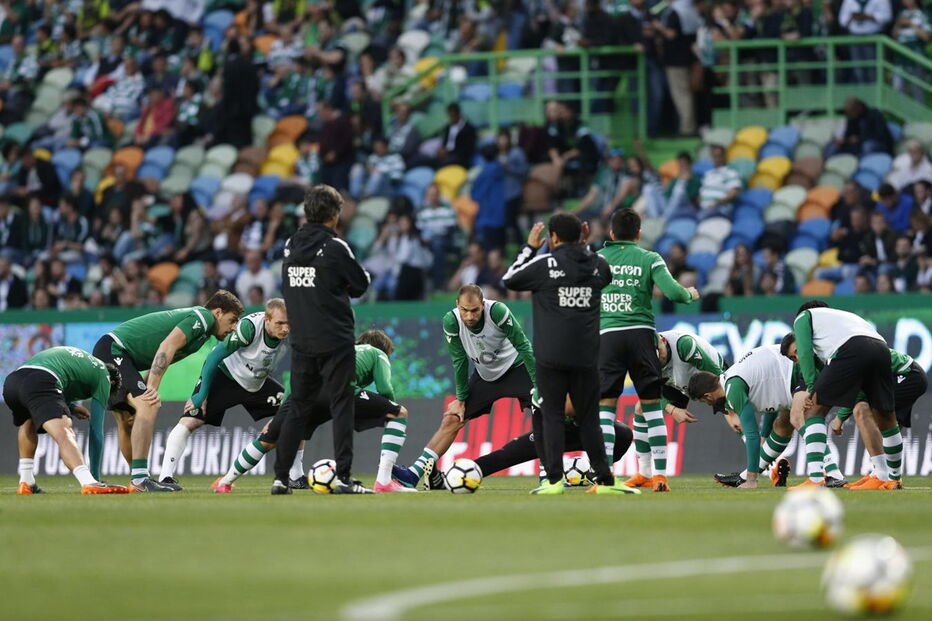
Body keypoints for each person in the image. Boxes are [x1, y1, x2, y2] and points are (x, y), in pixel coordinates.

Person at [503, 214, 634, 495]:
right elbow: (606, 275)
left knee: (551, 416)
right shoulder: (596, 263)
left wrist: (529, 248)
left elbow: (509, 279)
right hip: (586, 357)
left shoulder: (545, 264)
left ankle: (553, 482)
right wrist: (583, 247)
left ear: (552, 238)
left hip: (550, 357)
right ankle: (605, 481)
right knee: (589, 419)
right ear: (582, 235)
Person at [217, 330, 413, 494]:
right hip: (339, 392)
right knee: (399, 413)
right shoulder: (376, 353)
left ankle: (225, 482)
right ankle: (384, 481)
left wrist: (280, 416)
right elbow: (385, 388)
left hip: (305, 394)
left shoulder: (338, 351)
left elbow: (295, 381)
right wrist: (389, 407)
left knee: (268, 439)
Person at [91, 291, 244, 492]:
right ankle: (140, 479)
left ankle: (137, 478)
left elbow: (162, 353)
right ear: (217, 312)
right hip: (116, 350)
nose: (233, 327)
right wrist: (152, 388)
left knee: (126, 418)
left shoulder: (203, 332)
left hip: (112, 350)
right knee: (149, 404)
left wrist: (146, 385)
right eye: (232, 320)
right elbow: (167, 346)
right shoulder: (204, 318)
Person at [392, 284, 537, 490]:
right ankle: (414, 473)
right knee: (453, 417)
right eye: (464, 310)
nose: (469, 316)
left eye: (475, 310)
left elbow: (524, 346)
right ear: (457, 305)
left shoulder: (497, 311)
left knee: (546, 416)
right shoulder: (451, 321)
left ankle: (551, 475)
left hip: (517, 370)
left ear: (483, 305)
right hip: (485, 377)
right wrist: (460, 400)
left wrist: (540, 386)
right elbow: (459, 361)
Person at [275, 185, 371, 495]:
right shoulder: (336, 247)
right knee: (342, 404)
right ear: (334, 214)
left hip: (302, 339)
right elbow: (360, 284)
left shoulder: (290, 246)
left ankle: (280, 478)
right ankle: (343, 477)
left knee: (298, 407)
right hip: (335, 339)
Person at [597, 209, 699, 492]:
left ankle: (605, 478)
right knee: (652, 407)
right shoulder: (650, 258)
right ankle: (661, 477)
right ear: (639, 234)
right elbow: (675, 293)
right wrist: (690, 294)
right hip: (643, 338)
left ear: (611, 234)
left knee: (605, 408)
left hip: (609, 338)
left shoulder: (598, 259)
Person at [156, 299, 296, 489]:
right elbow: (214, 356)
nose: (285, 328)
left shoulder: (295, 335)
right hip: (226, 375)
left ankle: (296, 476)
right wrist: (202, 393)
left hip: (257, 382)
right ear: (267, 319)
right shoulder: (249, 328)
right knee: (191, 419)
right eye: (280, 323)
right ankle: (166, 478)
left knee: (296, 413)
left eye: (288, 323)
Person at [788, 300, 903, 489]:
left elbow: (806, 351)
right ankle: (894, 479)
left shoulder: (804, 317)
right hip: (881, 348)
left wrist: (810, 387)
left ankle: (816, 480)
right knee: (886, 417)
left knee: (813, 411)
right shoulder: (846, 318)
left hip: (851, 348)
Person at [3, 346, 128, 495]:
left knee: (28, 421)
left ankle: (26, 482)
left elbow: (57, 387)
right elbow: (96, 429)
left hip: (13, 382)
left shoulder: (85, 365)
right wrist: (95, 476)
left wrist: (72, 407)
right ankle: (89, 481)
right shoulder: (104, 376)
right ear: (112, 383)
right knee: (64, 431)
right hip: (41, 380)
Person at [689, 344, 813, 489]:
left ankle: (830, 473)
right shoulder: (731, 379)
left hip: (799, 370)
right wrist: (765, 435)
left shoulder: (733, 390)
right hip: (792, 373)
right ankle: (745, 476)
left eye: (704, 401)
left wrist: (751, 480)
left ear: (707, 396)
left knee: (799, 419)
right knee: (782, 426)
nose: (708, 404)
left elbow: (752, 435)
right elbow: (773, 400)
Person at [829, 347, 926, 490]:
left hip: (906, 374)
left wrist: (839, 418)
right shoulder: (843, 349)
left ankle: (882, 475)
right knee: (886, 423)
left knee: (862, 409)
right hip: (906, 373)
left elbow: (861, 390)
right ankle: (881, 473)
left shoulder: (842, 355)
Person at [474, 398, 635, 481]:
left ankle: (599, 472)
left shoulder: (586, 382)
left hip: (586, 430)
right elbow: (541, 430)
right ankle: (470, 470)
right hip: (553, 433)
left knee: (624, 433)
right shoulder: (544, 390)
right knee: (507, 454)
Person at [699, 144, 742, 212]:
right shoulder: (708, 174)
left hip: (720, 208)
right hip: (703, 209)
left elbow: (733, 193)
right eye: (714, 156)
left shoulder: (731, 173)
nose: (716, 159)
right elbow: (701, 193)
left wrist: (716, 204)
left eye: (718, 156)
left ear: (724, 156)